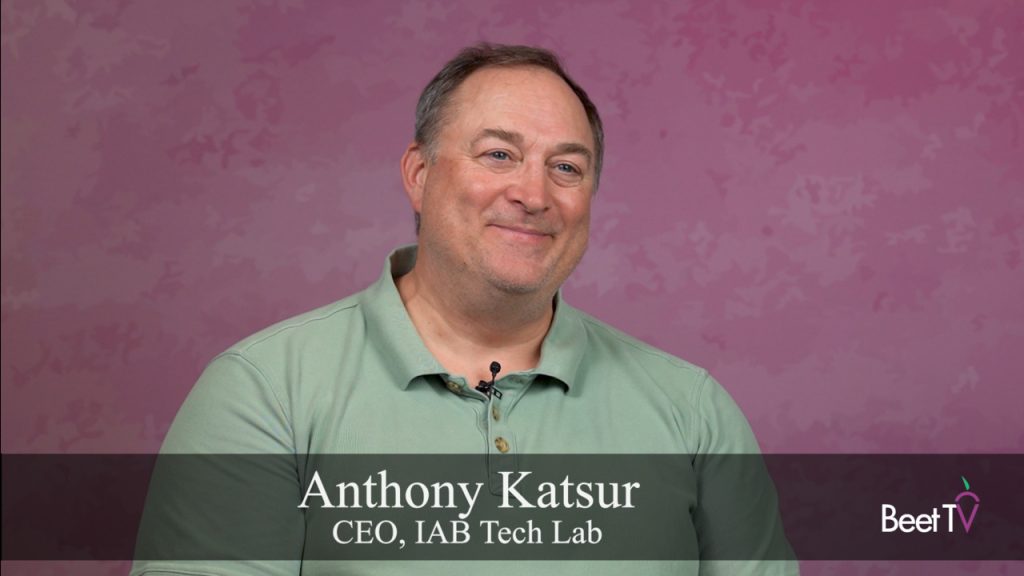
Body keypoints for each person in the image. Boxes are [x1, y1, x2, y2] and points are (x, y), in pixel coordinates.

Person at [132, 43, 795, 575]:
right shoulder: (264, 392)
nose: (533, 194)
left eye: (567, 168)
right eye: (499, 155)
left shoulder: (693, 412)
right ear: (419, 176)